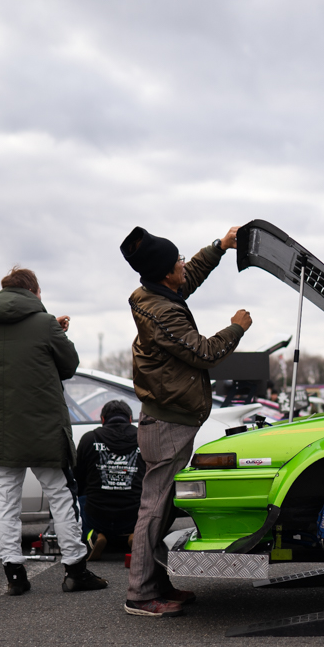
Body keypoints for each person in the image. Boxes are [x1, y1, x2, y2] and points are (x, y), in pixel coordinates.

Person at [120, 224, 251, 617]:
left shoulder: (155, 292)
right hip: (167, 424)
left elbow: (188, 275)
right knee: (155, 508)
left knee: (162, 506)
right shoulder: (163, 312)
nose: (182, 264)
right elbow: (205, 353)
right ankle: (141, 594)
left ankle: (157, 583)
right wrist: (237, 327)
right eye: (177, 260)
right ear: (165, 274)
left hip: (169, 418)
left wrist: (219, 247)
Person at [0, 266, 107, 596]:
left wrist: (49, 328)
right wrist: (57, 330)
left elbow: (16, 352)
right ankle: (75, 569)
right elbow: (68, 365)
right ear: (33, 292)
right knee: (60, 495)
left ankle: (14, 574)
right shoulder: (45, 323)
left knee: (4, 501)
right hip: (42, 426)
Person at [75, 399, 145, 559]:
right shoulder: (143, 439)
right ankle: (137, 535)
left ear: (103, 419)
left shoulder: (89, 439)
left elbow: (77, 480)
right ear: (130, 419)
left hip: (97, 517)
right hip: (134, 516)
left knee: (77, 498)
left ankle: (92, 535)